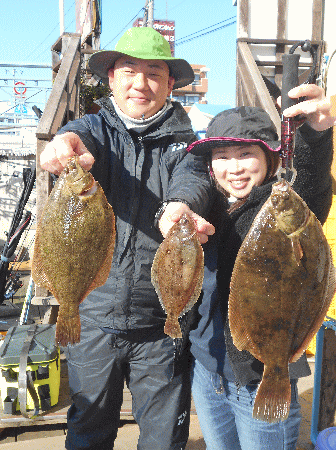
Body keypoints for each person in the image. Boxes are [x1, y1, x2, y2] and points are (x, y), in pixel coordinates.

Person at [39, 27, 215, 450]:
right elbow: (77, 138)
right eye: (129, 70)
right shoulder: (94, 129)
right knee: (88, 427)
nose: (140, 84)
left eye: (154, 73)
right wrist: (63, 145)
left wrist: (179, 208)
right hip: (93, 316)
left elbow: (191, 181)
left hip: (160, 322)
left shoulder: (188, 144)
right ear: (111, 78)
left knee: (162, 436)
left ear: (170, 84)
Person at [185, 84, 335, 450]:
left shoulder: (285, 206)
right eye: (221, 156)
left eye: (245, 154)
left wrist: (317, 135)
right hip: (206, 369)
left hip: (260, 375)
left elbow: (313, 187)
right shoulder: (206, 205)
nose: (233, 168)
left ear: (271, 159)